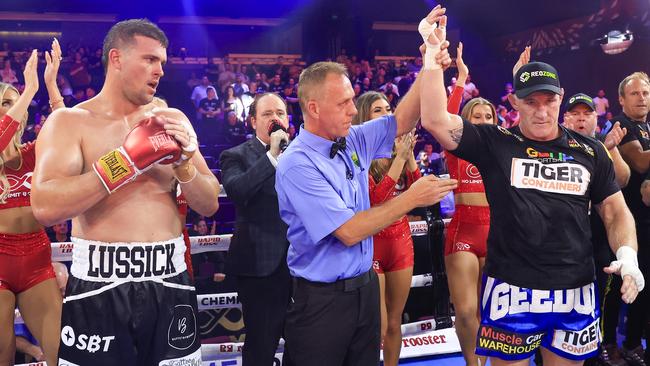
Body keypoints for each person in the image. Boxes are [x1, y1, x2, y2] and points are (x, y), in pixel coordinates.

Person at [418, 10, 643, 365]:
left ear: (561, 97)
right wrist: (432, 59)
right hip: (512, 286)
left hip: (575, 287)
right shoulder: (495, 141)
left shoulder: (591, 151)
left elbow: (615, 211)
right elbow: (434, 120)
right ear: (514, 102)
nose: (541, 112)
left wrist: (628, 256)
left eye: (549, 101)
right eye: (531, 102)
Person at [31, 19, 220, 365]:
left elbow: (208, 204)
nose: (159, 70)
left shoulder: (172, 119)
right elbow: (44, 206)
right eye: (149, 60)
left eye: (162, 62)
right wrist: (124, 163)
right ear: (116, 58)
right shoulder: (70, 123)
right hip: (99, 287)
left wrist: (184, 164)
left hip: (169, 280)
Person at [275, 8, 457, 364]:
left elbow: (402, 120)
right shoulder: (297, 163)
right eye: (343, 103)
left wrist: (430, 61)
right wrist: (411, 199)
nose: (351, 110)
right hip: (320, 302)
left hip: (364, 288)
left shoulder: (353, 138)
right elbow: (348, 231)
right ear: (312, 108)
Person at [0, 39, 64, 366]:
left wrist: (50, 86)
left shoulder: (33, 152)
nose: (5, 108)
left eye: (8, 102)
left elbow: (67, 133)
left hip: (37, 254)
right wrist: (27, 91)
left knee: (59, 352)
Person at [219, 92, 293, 366]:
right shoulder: (235, 155)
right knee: (262, 345)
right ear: (252, 122)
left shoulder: (301, 152)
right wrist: (272, 156)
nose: (276, 118)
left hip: (303, 264)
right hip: (261, 267)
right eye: (267, 114)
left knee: (305, 343)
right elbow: (237, 191)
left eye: (281, 113)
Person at [352, 91, 421, 366]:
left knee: (395, 323)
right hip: (372, 244)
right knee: (377, 326)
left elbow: (417, 194)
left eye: (388, 109)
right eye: (377, 111)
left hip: (401, 242)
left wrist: (409, 156)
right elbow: (376, 199)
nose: (386, 116)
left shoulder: (398, 150)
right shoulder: (359, 154)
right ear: (365, 118)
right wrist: (401, 160)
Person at [563, 92, 631, 366]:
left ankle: (596, 346)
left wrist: (611, 147)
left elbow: (623, 178)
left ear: (596, 118)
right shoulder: (555, 145)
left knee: (600, 294)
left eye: (586, 114)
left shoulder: (601, 148)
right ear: (565, 118)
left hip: (598, 234)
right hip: (563, 237)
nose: (581, 118)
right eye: (575, 114)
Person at [443, 42, 495, 366]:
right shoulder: (455, 147)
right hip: (463, 231)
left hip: (497, 233)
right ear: (467, 120)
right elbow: (446, 115)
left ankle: (489, 361)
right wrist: (461, 78)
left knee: (489, 310)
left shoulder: (503, 148)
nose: (484, 119)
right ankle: (471, 363)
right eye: (477, 115)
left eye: (488, 114)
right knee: (465, 310)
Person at [612, 71, 650, 366]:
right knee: (634, 284)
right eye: (635, 94)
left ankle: (637, 340)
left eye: (645, 93)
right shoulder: (622, 127)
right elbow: (639, 162)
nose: (642, 98)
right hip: (632, 225)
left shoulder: (647, 127)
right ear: (622, 99)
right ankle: (628, 343)